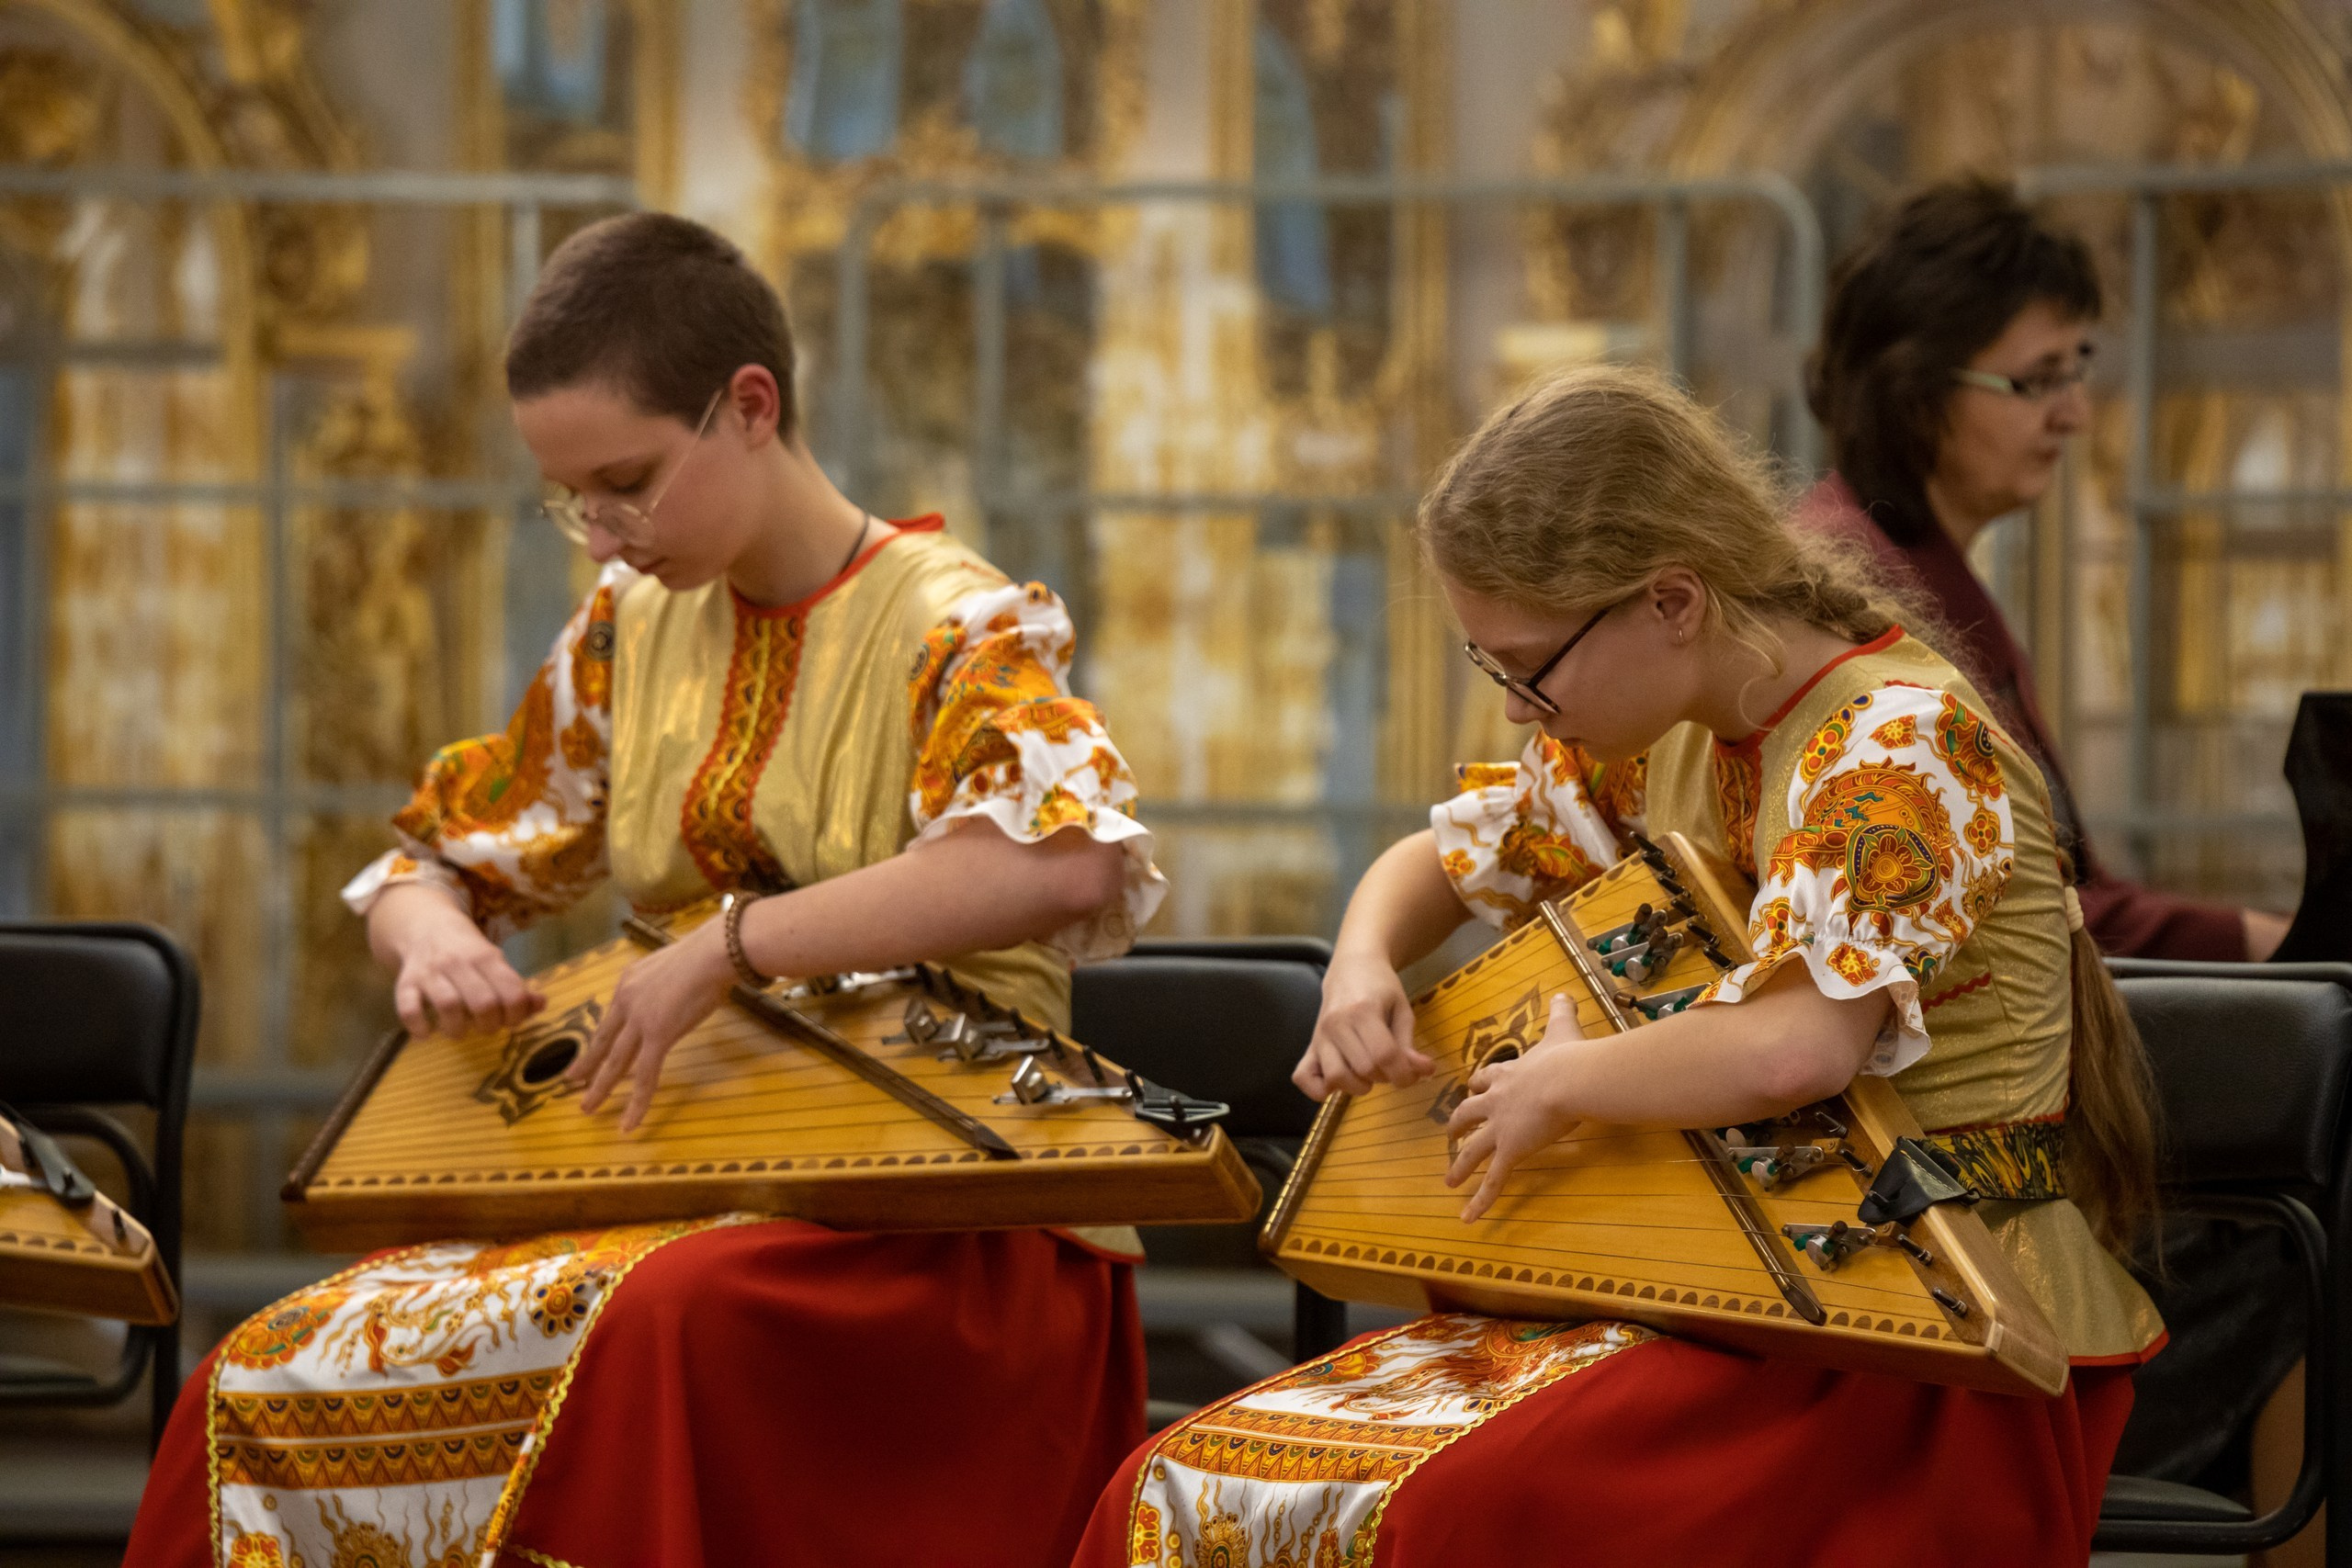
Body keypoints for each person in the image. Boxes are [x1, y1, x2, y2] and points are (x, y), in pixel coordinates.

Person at [123, 213, 1166, 1568]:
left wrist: (733, 944)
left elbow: (1068, 853)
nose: (604, 538)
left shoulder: (955, 624)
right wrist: (431, 936)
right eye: (572, 501)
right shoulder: (629, 627)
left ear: (749, 406)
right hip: (679, 1187)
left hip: (940, 1226)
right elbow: (430, 854)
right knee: (263, 1365)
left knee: (657, 1325)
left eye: (625, 483)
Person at [1073, 366, 2163, 1567]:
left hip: (1924, 1323)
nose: (1515, 712)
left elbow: (1798, 1044)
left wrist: (1567, 1083)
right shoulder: (1657, 732)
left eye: (1528, 667)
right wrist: (1362, 966)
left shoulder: (1897, 738)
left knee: (1444, 1510)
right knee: (1182, 1477)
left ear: (1674, 598)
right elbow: (1443, 856)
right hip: (1730, 1278)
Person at [1803, 177, 2287, 962]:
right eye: (2037, 380)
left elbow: (2060, 893)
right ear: (1914, 389)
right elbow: (2034, 912)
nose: (2074, 413)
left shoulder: (1908, 559)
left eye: (2076, 368)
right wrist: (2279, 945)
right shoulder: (1858, 591)